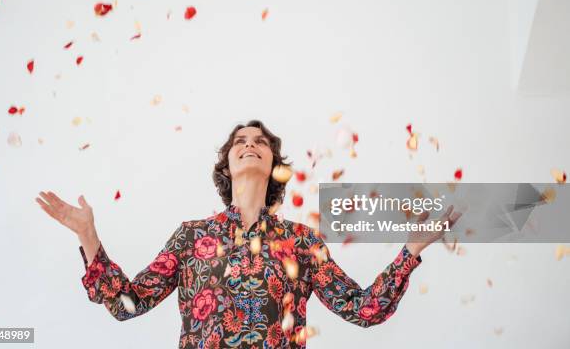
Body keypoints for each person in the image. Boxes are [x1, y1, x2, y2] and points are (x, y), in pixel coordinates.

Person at [35, 119, 461, 348]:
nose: (249, 144)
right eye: (239, 140)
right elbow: (128, 304)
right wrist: (89, 237)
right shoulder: (190, 237)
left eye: (260, 141)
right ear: (227, 164)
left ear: (274, 161)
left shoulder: (303, 243)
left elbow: (363, 309)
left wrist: (410, 250)